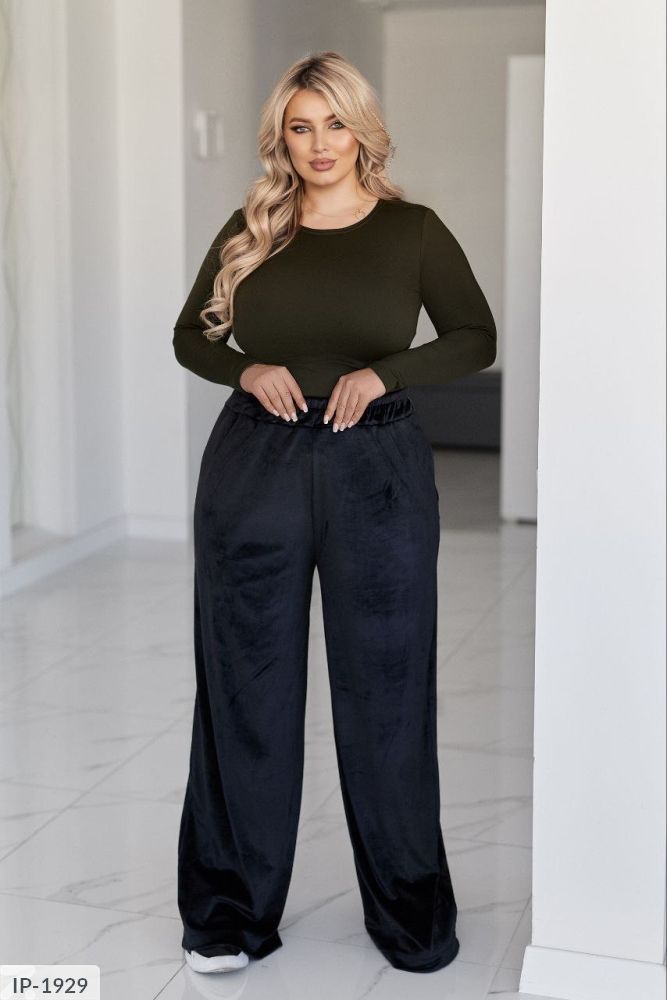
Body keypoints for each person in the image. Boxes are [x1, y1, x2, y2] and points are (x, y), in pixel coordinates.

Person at [173, 50, 496, 977]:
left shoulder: (412, 231)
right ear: (282, 137)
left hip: (376, 467)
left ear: (363, 130)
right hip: (255, 465)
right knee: (244, 692)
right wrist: (245, 367)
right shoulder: (254, 226)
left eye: (336, 124)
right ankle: (228, 915)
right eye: (300, 127)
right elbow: (190, 335)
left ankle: (408, 916)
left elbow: (473, 336)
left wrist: (384, 373)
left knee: (387, 693)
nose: (319, 145)